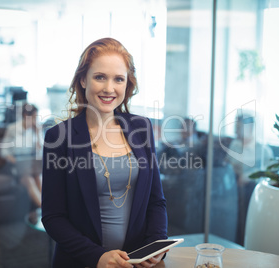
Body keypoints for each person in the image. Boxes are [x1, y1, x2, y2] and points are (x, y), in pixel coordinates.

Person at [41, 37, 168, 268]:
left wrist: (156, 244)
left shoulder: (142, 128)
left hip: (136, 263)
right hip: (82, 262)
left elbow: (156, 201)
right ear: (82, 80)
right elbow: (53, 217)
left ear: (127, 84)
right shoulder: (59, 137)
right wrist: (96, 256)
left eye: (118, 79)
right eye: (100, 77)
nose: (109, 88)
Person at [226, 111, 273, 245]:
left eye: (239, 127)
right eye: (236, 126)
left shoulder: (263, 150)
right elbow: (229, 166)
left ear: (250, 128)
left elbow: (269, 174)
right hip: (234, 189)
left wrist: (247, 176)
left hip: (252, 191)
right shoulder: (235, 145)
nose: (236, 130)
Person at [0, 102, 43, 208]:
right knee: (29, 180)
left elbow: (40, 151)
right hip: (14, 165)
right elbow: (3, 152)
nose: (35, 120)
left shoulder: (34, 130)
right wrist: (15, 161)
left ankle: (49, 209)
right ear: (25, 116)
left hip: (30, 165)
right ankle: (44, 209)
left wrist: (38, 133)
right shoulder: (13, 129)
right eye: (34, 117)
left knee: (39, 177)